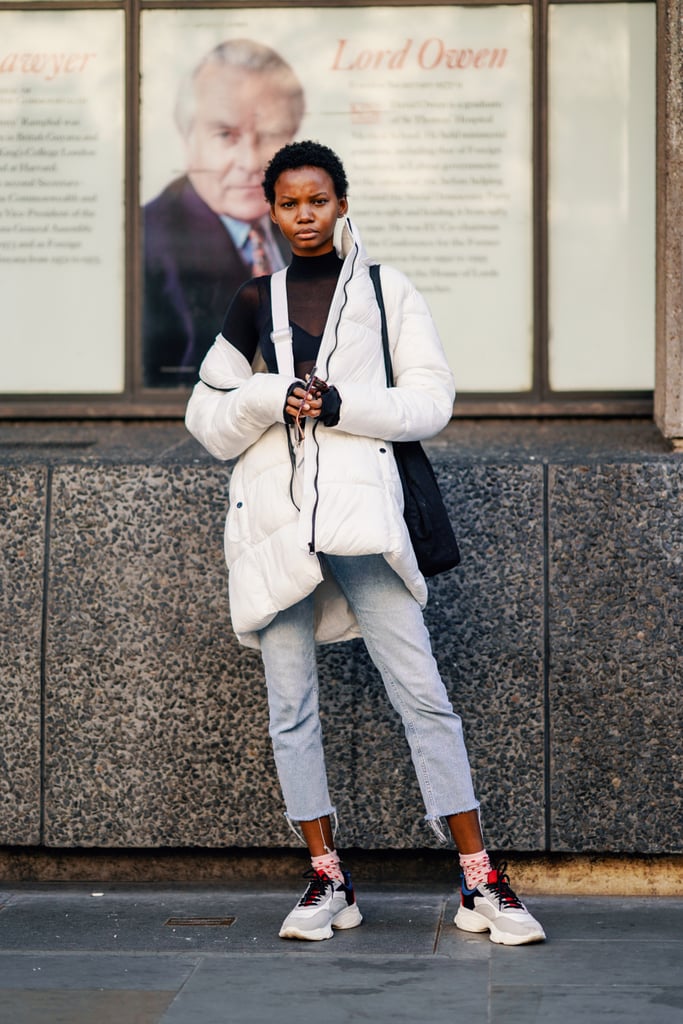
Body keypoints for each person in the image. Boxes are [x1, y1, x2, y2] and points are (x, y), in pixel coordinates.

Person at [185, 140, 546, 946]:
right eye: (288, 202)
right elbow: (207, 422)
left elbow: (430, 402)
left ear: (342, 203)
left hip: (364, 517)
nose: (303, 215)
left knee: (422, 694)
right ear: (271, 210)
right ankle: (326, 877)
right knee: (290, 706)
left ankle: (480, 880)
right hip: (274, 522)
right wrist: (269, 393)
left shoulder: (388, 290)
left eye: (317, 200)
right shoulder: (254, 299)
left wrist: (340, 402)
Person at [143, 38, 304, 387]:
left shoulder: (303, 224)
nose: (249, 162)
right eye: (226, 135)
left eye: (270, 134)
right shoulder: (145, 242)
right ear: (188, 141)